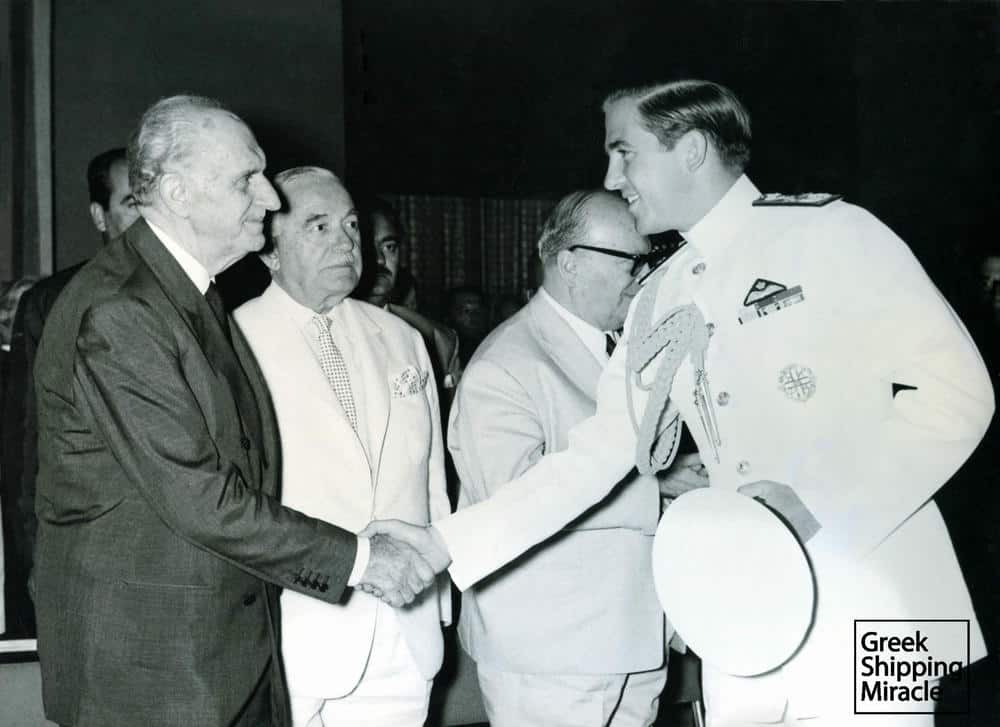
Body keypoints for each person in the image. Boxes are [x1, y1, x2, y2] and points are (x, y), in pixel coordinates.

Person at [366, 80, 994, 726]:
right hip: (742, 614)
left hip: (869, 598)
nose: (612, 177)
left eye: (624, 152)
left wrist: (819, 505)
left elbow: (958, 394)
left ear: (691, 150)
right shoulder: (662, 295)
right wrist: (445, 543)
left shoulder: (834, 234)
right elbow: (595, 454)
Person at [32, 95, 433, 727]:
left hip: (213, 652)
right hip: (152, 668)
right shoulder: (122, 311)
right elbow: (200, 497)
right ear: (178, 192)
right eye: (247, 178)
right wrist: (361, 559)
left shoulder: (186, 293)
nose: (271, 199)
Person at [449, 189, 679, 727]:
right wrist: (659, 488)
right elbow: (513, 509)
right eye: (631, 261)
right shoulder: (505, 366)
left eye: (649, 259)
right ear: (569, 263)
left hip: (630, 639)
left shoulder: (625, 350)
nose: (644, 276)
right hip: (551, 655)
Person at [235, 167, 451, 727]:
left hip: (406, 631)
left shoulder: (403, 338)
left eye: (352, 224)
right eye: (319, 225)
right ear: (270, 251)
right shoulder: (236, 343)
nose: (346, 240)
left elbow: (431, 479)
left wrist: (441, 598)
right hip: (297, 638)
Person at [1, 147, 138, 638]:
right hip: (86, 547)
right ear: (99, 216)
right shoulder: (54, 302)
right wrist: (33, 554)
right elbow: (26, 442)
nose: (146, 218)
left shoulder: (206, 296)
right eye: (130, 203)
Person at [361, 198, 461, 395]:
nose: (380, 259)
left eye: (389, 247)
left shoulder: (438, 339)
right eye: (367, 247)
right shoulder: (322, 328)